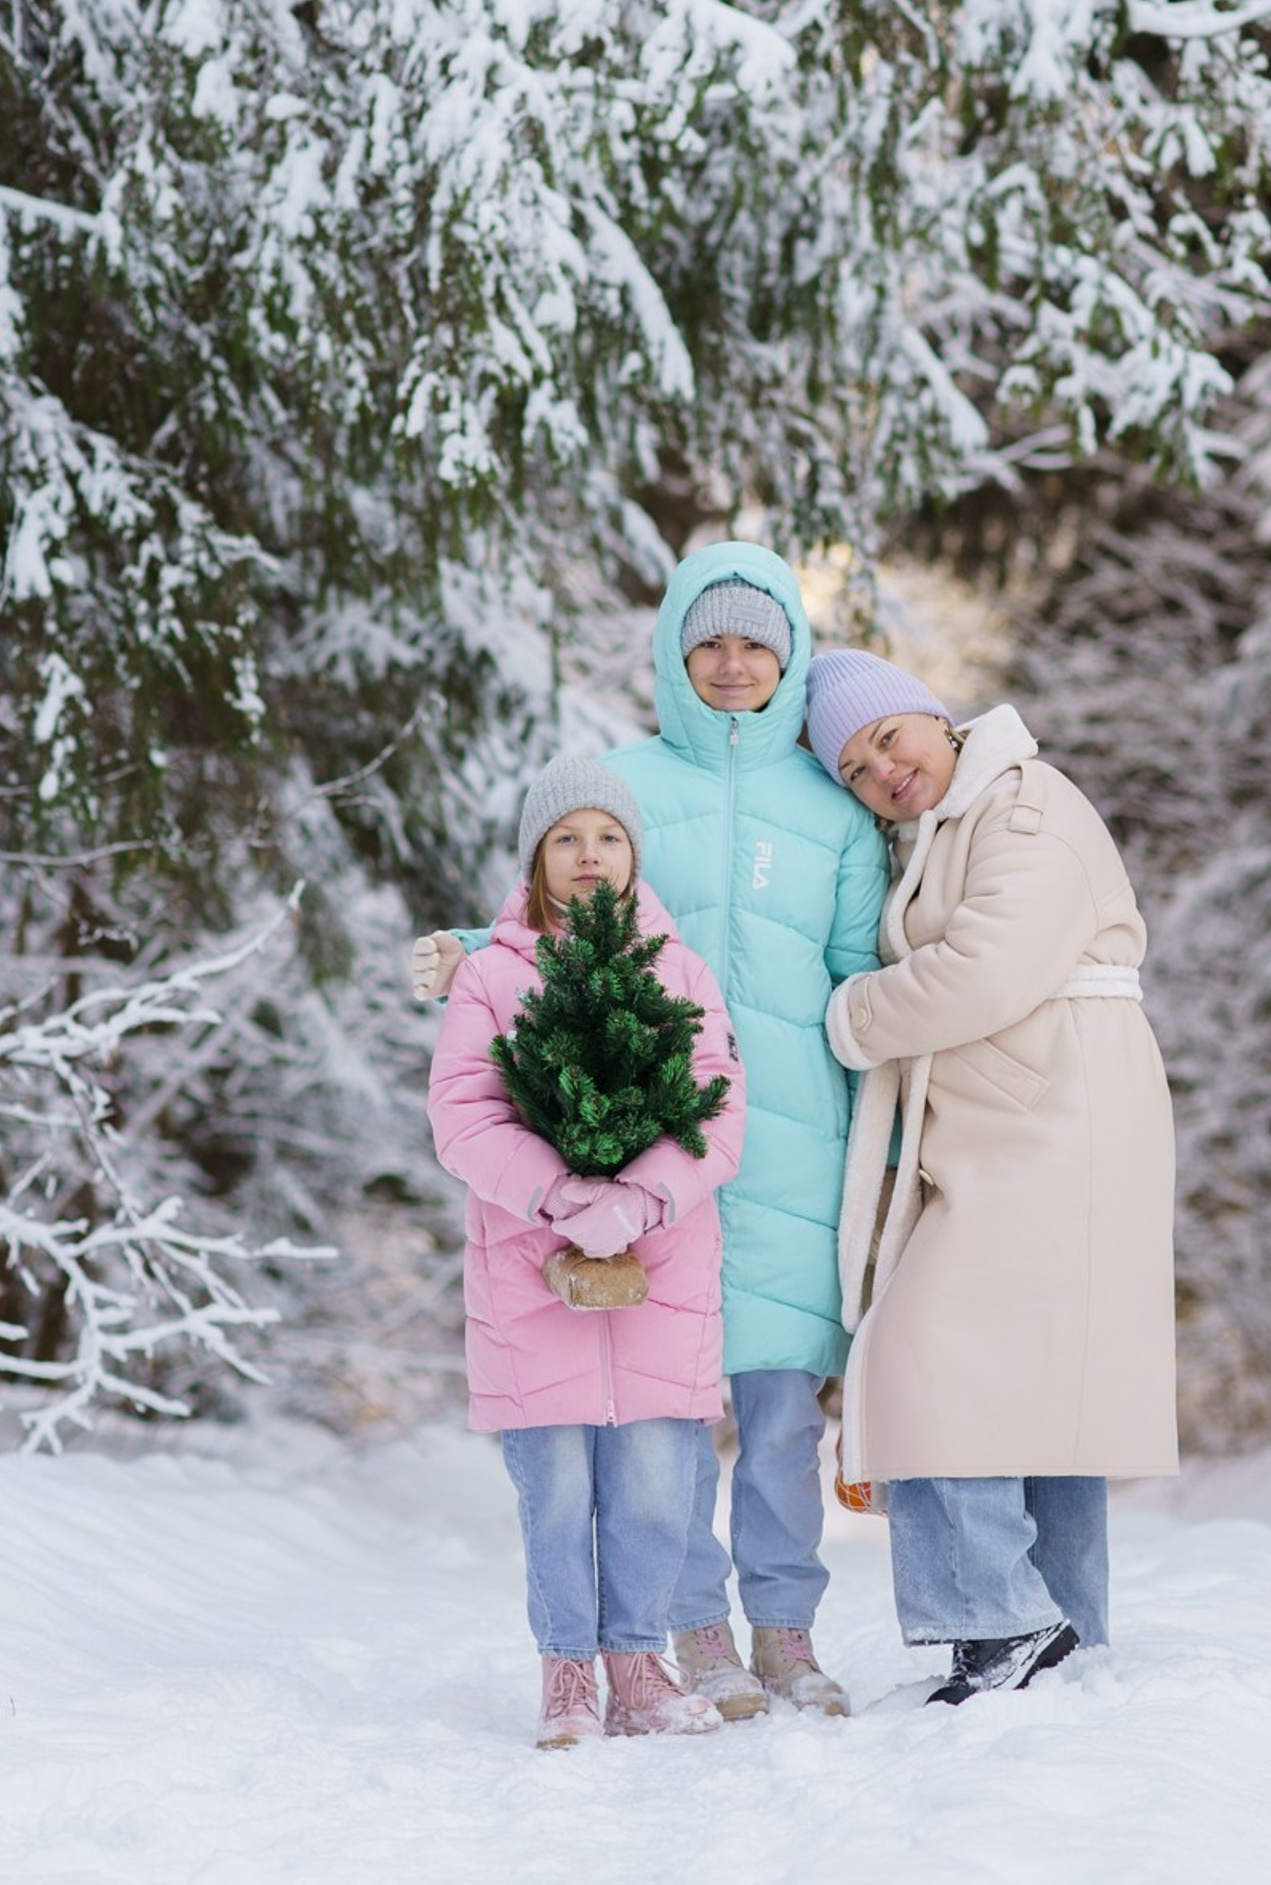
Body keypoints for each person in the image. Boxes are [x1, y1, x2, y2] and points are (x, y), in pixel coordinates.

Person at [412, 545, 884, 1717]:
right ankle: (686, 1637)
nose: (732, 664)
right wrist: (464, 954)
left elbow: (865, 973)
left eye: (756, 642)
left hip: (785, 1147)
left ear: (790, 655)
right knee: (659, 1414)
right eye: (708, 641)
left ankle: (784, 1633)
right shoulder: (617, 781)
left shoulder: (832, 806)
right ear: (674, 651)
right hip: (620, 1156)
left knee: (777, 1412)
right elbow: (550, 919)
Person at [804, 650, 1179, 1706]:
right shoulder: (948, 822)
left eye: (888, 736)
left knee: (927, 1353)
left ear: (936, 715)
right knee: (1033, 1380)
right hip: (1015, 1116)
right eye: (854, 766)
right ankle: (1066, 1629)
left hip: (1058, 1110)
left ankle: (999, 1618)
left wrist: (850, 1018)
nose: (882, 768)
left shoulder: (1025, 804)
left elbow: (988, 968)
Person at [429, 757, 746, 1749]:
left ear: (634, 855)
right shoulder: (490, 976)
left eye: (606, 836)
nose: (587, 855)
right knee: (556, 1491)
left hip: (661, 1272)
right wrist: (562, 1195)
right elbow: (464, 1116)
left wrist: (641, 1197)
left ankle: (638, 1667)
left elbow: (719, 1109)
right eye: (564, 838)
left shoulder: (679, 970)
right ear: (534, 860)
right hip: (532, 1274)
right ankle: (567, 1670)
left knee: (657, 1486)